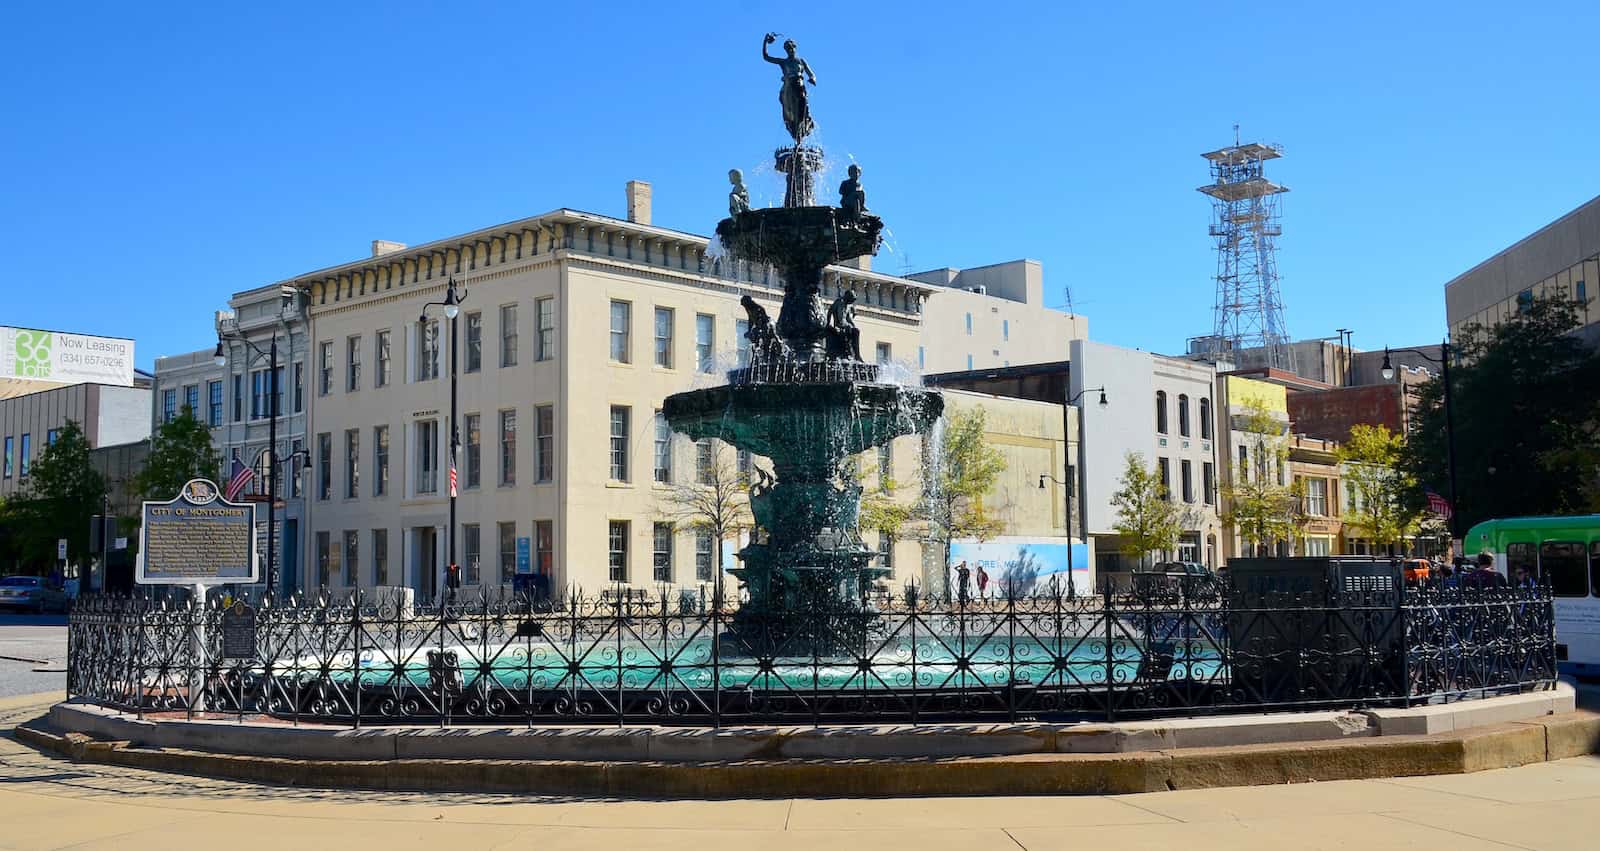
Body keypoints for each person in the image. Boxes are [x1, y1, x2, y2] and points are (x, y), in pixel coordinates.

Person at [762, 33, 817, 143]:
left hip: (799, 83)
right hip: (788, 84)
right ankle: (790, 119)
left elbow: (811, 74)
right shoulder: (783, 62)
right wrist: (765, 42)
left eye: (792, 48)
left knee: (803, 99)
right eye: (788, 48)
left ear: (795, 48)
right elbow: (766, 57)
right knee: (783, 98)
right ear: (785, 50)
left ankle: (807, 116)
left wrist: (812, 78)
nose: (790, 50)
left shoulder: (801, 61)